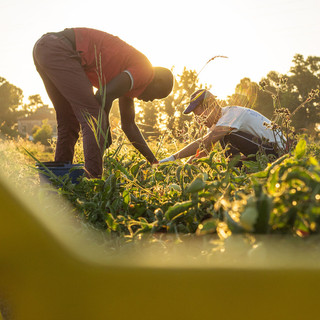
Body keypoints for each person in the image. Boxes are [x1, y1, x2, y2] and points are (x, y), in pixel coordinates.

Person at [33, 28, 174, 178]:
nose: (152, 100)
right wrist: (104, 128)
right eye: (158, 95)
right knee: (94, 116)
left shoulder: (132, 81)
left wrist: (154, 162)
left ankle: (60, 180)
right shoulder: (145, 71)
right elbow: (102, 95)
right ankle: (94, 182)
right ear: (157, 80)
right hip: (60, 48)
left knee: (69, 120)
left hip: (45, 48)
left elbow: (129, 125)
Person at [159, 89, 285, 165]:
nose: (200, 120)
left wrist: (172, 158)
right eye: (196, 117)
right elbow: (204, 151)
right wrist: (184, 168)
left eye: (200, 114)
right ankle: (240, 170)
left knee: (228, 137)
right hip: (264, 150)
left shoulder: (232, 114)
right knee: (227, 161)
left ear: (211, 104)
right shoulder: (218, 124)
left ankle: (237, 171)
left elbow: (205, 141)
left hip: (278, 152)